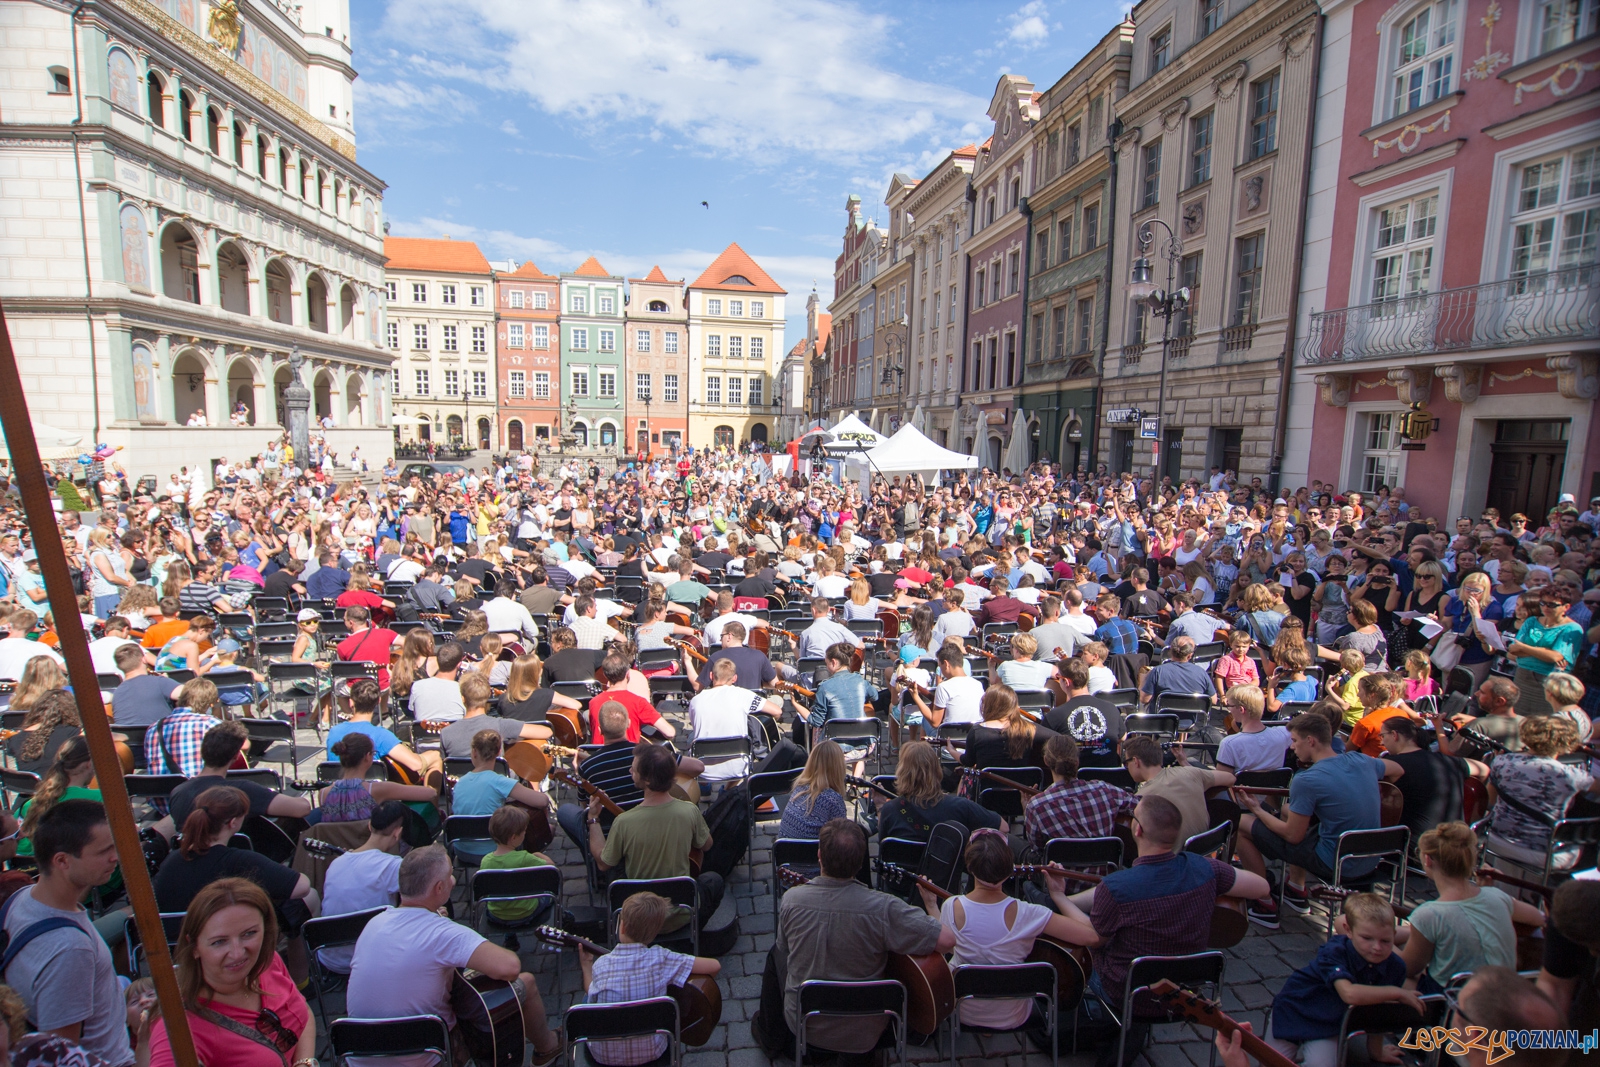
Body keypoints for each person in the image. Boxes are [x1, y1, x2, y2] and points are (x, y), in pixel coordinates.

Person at [1066, 794, 1269, 1067]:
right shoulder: (1203, 868)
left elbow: (1093, 938)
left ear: (1137, 829)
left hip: (1125, 991)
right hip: (1183, 992)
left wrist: (1057, 900)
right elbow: (1261, 887)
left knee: (1081, 950)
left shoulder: (1116, 888)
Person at [752, 818, 952, 1063]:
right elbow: (947, 940)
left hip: (805, 1022)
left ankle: (770, 1037)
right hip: (868, 1027)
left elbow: (785, 948)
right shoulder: (884, 907)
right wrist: (931, 905)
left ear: (819, 856)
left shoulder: (792, 900)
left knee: (775, 954)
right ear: (860, 864)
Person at [346, 845, 563, 1066]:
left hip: (361, 1054)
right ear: (439, 888)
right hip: (429, 1055)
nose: (453, 880)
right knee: (526, 983)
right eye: (450, 874)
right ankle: (547, 1048)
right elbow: (510, 967)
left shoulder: (373, 924)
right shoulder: (443, 933)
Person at [0, 799, 135, 1067]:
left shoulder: (20, 900)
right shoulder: (71, 950)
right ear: (62, 860)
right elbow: (60, 1055)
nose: (115, 857)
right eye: (104, 851)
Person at [926, 829, 1097, 1031]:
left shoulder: (951, 906)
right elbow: (1091, 936)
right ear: (1009, 869)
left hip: (962, 1011)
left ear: (970, 868)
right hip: (1014, 1015)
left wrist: (931, 906)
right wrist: (1058, 895)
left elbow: (947, 946)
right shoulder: (1029, 913)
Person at [1232, 712, 1386, 928]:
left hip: (1335, 861)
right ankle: (1296, 888)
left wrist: (1257, 809)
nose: (1292, 747)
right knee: (1288, 810)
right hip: (1370, 854)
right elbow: (1397, 769)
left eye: (1295, 741)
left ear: (1311, 741)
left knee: (1240, 823)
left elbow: (1293, 836)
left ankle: (1263, 902)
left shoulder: (1307, 779)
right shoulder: (1362, 760)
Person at [153, 786, 320, 980]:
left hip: (172, 947)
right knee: (305, 899)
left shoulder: (172, 859)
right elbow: (301, 886)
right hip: (220, 947)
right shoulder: (237, 860)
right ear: (233, 823)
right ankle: (299, 980)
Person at [148, 877, 315, 1067]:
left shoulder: (267, 962)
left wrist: (305, 1063)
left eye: (249, 933)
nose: (237, 954)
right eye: (219, 942)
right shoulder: (178, 1028)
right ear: (194, 946)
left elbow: (302, 1010)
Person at [1265, 893, 1423, 1067]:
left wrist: (1376, 1051)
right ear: (1348, 930)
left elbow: (1380, 1012)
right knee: (1272, 1061)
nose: (1377, 947)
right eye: (1367, 938)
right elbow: (1349, 993)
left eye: (1385, 941)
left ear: (1394, 935)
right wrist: (1397, 993)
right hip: (1295, 1010)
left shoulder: (1395, 967)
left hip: (1330, 1024)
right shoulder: (1334, 951)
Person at [588, 743, 723, 931]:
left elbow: (603, 863)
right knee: (714, 881)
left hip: (640, 917)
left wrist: (593, 819)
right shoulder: (689, 811)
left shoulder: (624, 822)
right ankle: (693, 934)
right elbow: (707, 845)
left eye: (634, 770)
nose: (630, 771)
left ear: (647, 780)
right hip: (681, 913)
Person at [579, 891, 722, 1067]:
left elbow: (590, 990)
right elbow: (714, 966)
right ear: (654, 934)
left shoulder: (601, 965)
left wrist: (586, 965)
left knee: (588, 1000)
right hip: (653, 1052)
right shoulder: (661, 958)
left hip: (604, 1057)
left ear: (621, 927)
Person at [1402, 822, 1545, 995]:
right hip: (1505, 992)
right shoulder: (1498, 897)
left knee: (1391, 972)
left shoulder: (1427, 915)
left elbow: (1408, 968)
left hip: (1453, 998)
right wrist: (1489, 893)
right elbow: (1539, 918)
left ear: (1427, 860)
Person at [1481, 715, 1595, 876]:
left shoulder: (1501, 762)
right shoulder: (1571, 775)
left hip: (1497, 841)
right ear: (1566, 743)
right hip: (1544, 854)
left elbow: (1490, 800)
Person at [316, 799, 406, 974]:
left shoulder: (336, 864)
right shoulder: (392, 866)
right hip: (373, 961)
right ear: (398, 833)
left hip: (330, 958)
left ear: (370, 826)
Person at [167, 721, 311, 829]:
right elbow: (302, 808)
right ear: (236, 756)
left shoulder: (179, 791)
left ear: (203, 752)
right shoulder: (240, 790)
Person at [1378, 715, 1486, 842]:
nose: (1382, 742)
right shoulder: (1449, 761)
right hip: (1455, 840)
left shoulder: (1393, 763)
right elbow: (1484, 769)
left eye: (1382, 736)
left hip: (1417, 843)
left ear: (1394, 735)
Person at [1023, 733, 1138, 849]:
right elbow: (1139, 804)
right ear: (1077, 761)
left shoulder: (1036, 805)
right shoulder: (1104, 790)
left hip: (1061, 861)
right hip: (1105, 860)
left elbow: (1036, 848)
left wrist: (1027, 810)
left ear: (1046, 761)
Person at [1121, 735, 1233, 850]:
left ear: (1136, 761)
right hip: (1205, 851)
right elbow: (1230, 778)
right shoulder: (1191, 773)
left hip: (1174, 858)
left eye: (1126, 764)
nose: (1127, 768)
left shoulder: (1142, 800)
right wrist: (1186, 766)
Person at [876, 741, 1002, 842]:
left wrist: (880, 806)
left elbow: (884, 843)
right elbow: (1003, 827)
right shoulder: (961, 806)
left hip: (903, 867)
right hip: (946, 867)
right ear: (937, 770)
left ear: (902, 773)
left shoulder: (889, 809)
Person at [326, 677, 444, 785]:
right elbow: (415, 765)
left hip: (338, 787)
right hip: (374, 790)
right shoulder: (381, 735)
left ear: (351, 702)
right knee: (435, 756)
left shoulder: (334, 731)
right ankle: (431, 800)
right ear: (378, 701)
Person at [688, 656, 786, 782]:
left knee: (692, 737)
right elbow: (777, 711)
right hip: (738, 768)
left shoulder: (696, 700)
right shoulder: (743, 694)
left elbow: (696, 726)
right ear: (734, 678)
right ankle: (731, 789)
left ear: (711, 676)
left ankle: (703, 788)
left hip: (703, 769)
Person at [1507, 591, 1585, 717]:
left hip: (1549, 681)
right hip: (1522, 675)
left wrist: (1524, 647)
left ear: (1566, 607)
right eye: (1543, 603)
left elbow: (1555, 656)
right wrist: (1543, 651)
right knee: (1517, 717)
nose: (1546, 607)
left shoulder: (1572, 628)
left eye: (1552, 605)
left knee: (1542, 720)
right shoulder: (1532, 621)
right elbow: (1513, 649)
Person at [440, 673, 552, 758]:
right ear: (488, 695)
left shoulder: (446, 733)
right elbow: (547, 732)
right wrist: (513, 742)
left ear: (463, 699)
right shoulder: (500, 725)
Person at [452, 729, 552, 818]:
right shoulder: (499, 782)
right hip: (492, 833)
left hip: (462, 833)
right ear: (499, 752)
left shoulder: (459, 783)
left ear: (474, 752)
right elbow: (542, 801)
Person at [479, 805, 553, 923]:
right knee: (549, 893)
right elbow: (551, 868)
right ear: (514, 837)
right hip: (526, 911)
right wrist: (538, 854)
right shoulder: (524, 858)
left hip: (496, 915)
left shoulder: (485, 861)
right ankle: (564, 916)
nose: (525, 834)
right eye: (524, 831)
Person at [959, 683, 1057, 772]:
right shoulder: (1029, 728)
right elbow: (1059, 739)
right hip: (1023, 785)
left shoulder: (976, 731)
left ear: (988, 705)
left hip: (987, 785)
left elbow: (968, 762)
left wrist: (952, 750)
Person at [777, 740, 848, 839]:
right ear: (839, 767)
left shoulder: (800, 787)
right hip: (811, 848)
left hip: (783, 847)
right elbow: (842, 838)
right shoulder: (834, 800)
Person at [1215, 684, 1293, 774]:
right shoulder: (1284, 734)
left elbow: (1223, 778)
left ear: (1241, 709)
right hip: (1276, 783)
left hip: (1242, 783)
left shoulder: (1229, 744)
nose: (1229, 709)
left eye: (1229, 705)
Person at [911, 641, 981, 729]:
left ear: (946, 664)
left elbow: (935, 723)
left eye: (940, 666)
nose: (940, 670)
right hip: (974, 733)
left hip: (950, 734)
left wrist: (915, 697)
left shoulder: (943, 687)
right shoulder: (978, 684)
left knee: (925, 721)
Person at [1346, 673, 1412, 758]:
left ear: (1371, 695)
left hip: (1372, 764)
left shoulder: (1366, 723)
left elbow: (1348, 750)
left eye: (1360, 690)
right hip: (1400, 760)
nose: (1358, 695)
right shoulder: (1402, 714)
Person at [1139, 635, 1212, 704]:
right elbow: (1213, 700)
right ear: (1189, 656)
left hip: (1163, 713)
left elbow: (1143, 699)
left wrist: (1143, 680)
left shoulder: (1158, 671)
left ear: (1170, 652)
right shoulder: (1201, 673)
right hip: (1191, 713)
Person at [409, 639, 467, 723]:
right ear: (459, 664)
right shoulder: (463, 690)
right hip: (454, 730)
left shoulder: (417, 686)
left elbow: (414, 713)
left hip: (424, 731)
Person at [795, 596, 861, 660]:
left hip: (813, 667)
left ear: (813, 610)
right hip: (835, 666)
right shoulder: (840, 628)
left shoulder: (805, 633)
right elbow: (860, 646)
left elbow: (802, 660)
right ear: (829, 609)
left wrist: (793, 646)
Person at [1211, 627, 1259, 699]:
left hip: (1248, 689)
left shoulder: (1250, 661)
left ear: (1249, 646)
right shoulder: (1226, 659)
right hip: (1233, 690)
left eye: (1244, 647)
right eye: (1237, 646)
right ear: (1231, 645)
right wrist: (1222, 695)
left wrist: (1247, 687)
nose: (1241, 649)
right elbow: (1219, 678)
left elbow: (1256, 680)